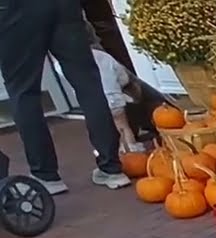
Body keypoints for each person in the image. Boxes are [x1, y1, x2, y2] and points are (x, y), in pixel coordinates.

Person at [0, 0, 131, 195]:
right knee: (88, 84)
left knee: (24, 92)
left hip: (15, 9)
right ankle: (112, 169)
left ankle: (46, 176)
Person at [91, 46, 146, 153]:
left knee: (105, 129)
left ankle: (112, 153)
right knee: (124, 126)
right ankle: (133, 150)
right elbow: (123, 77)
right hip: (114, 97)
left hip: (94, 102)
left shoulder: (70, 60)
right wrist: (117, 85)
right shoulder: (104, 56)